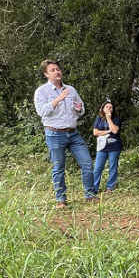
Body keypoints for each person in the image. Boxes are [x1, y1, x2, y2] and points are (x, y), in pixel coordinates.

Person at [34, 59, 98, 208]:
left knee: (87, 163)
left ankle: (89, 194)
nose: (57, 72)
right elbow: (42, 111)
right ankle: (60, 199)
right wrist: (58, 99)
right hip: (54, 134)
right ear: (46, 74)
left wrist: (79, 108)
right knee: (58, 168)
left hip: (73, 133)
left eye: (58, 69)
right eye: (52, 70)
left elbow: (81, 110)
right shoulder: (42, 91)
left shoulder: (71, 89)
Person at [92, 100, 123, 193]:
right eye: (107, 107)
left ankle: (110, 187)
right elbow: (95, 132)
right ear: (103, 108)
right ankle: (94, 188)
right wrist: (107, 132)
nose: (109, 109)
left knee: (112, 167)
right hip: (102, 147)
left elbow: (114, 131)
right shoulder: (99, 118)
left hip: (114, 146)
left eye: (110, 107)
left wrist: (109, 119)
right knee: (97, 168)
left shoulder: (116, 119)